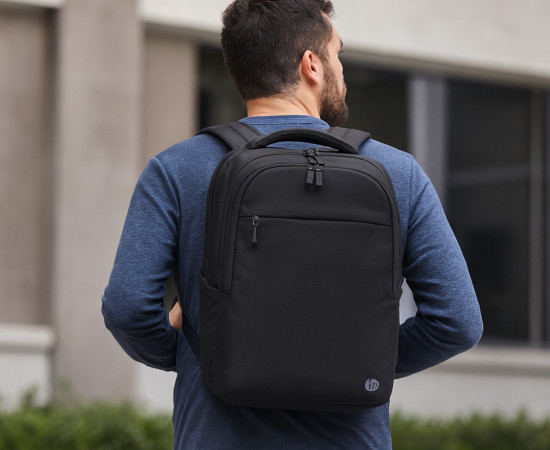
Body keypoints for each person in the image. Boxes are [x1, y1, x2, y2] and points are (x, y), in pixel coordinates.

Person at [102, 0, 483, 448]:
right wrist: (358, 363)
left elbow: (127, 308)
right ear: (311, 65)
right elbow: (458, 322)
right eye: (337, 54)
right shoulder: (397, 172)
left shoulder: (176, 169)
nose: (341, 69)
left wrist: (207, 356)